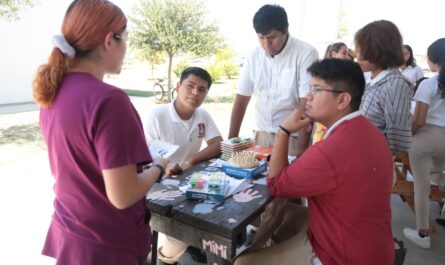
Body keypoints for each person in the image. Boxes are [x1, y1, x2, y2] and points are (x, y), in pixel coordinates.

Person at [32, 1, 168, 264]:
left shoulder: (51, 93)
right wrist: (159, 168)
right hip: (107, 245)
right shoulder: (109, 101)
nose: (126, 48)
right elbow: (123, 194)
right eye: (125, 38)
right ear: (109, 40)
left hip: (70, 232)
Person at [234, 59, 394, 265]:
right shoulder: (368, 130)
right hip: (371, 242)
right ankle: (263, 246)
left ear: (342, 100)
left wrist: (283, 131)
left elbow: (276, 185)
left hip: (341, 255)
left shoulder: (333, 149)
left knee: (243, 263)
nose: (308, 97)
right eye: (310, 88)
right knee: (280, 213)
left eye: (317, 90)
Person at [144, 67, 223, 265]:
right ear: (178, 87)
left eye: (202, 90)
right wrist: (167, 169)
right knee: (184, 226)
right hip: (158, 181)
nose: (196, 93)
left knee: (219, 206)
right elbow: (145, 160)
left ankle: (195, 246)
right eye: (190, 86)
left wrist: (190, 161)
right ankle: (166, 258)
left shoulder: (202, 114)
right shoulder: (157, 116)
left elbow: (218, 144)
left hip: (190, 179)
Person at [228, 4, 318, 157]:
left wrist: (301, 152)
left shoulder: (306, 53)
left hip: (293, 138)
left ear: (286, 29)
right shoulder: (254, 55)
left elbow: (306, 104)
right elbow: (242, 98)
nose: (266, 44)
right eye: (261, 38)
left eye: (272, 38)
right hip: (261, 135)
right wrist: (230, 143)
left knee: (287, 179)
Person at [403, 38, 445, 249]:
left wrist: (406, 135)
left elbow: (418, 120)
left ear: (432, 59)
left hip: (425, 138)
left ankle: (422, 234)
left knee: (421, 185)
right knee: (439, 174)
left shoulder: (429, 83)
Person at [354, 20, 412, 155]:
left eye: (367, 52)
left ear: (383, 51)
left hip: (372, 159)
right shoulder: (373, 78)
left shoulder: (394, 84)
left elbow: (398, 141)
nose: (359, 57)